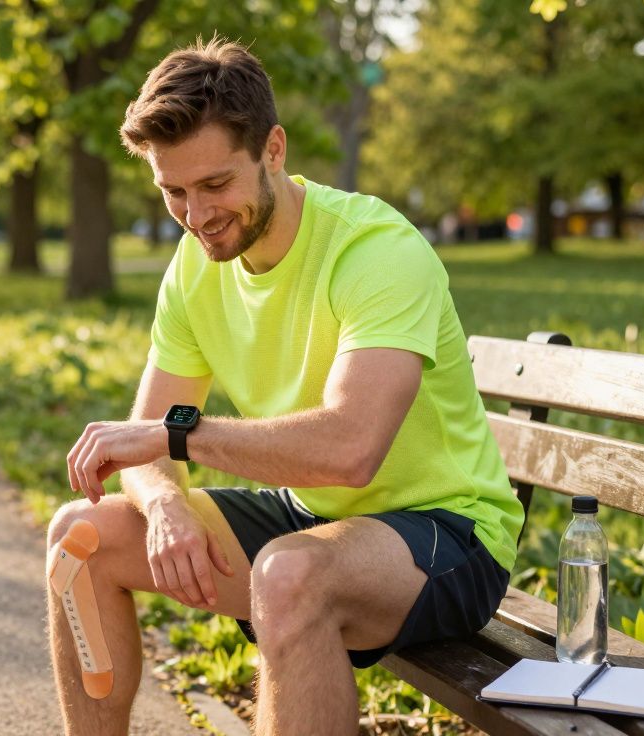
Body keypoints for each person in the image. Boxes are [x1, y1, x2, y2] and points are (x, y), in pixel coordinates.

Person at [50, 39, 524, 736]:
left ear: (273, 149)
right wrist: (165, 507)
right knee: (78, 540)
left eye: (215, 185)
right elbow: (145, 455)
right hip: (312, 518)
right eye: (172, 191)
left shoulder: (376, 250)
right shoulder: (192, 267)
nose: (196, 214)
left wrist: (177, 437)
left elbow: (350, 448)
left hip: (447, 532)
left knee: (288, 576)